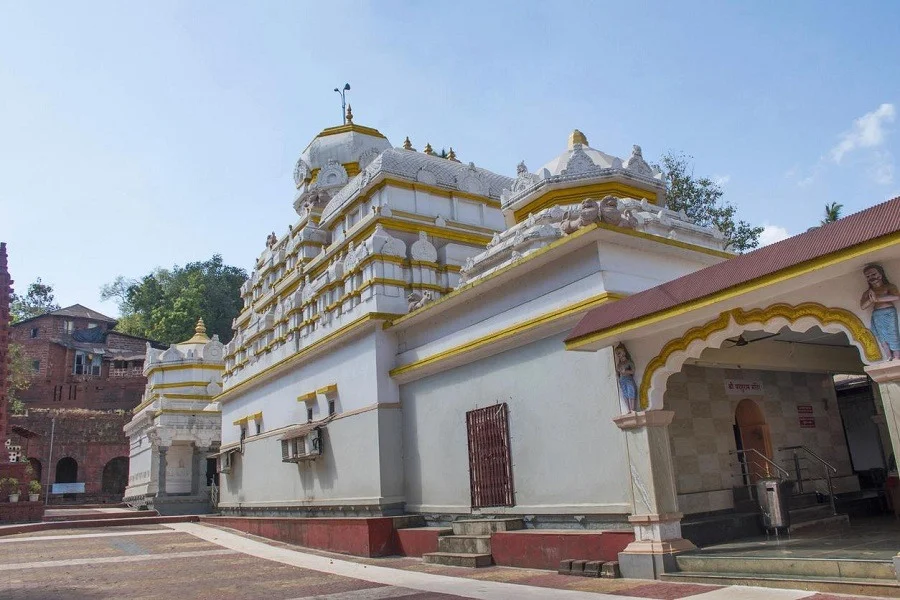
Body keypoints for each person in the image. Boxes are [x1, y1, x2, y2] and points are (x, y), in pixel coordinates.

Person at [861, 264, 900, 360]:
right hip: (877, 315)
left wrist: (877, 299)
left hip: (889, 313)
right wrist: (871, 300)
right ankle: (888, 356)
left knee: (893, 334)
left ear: (880, 274)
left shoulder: (889, 287)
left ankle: (897, 356)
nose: (871, 277)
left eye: (873, 274)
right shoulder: (868, 292)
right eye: (868, 276)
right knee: (881, 337)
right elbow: (863, 306)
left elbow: (896, 297)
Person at [614, 343, 638, 413]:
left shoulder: (628, 362)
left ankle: (632, 409)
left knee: (631, 391)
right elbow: (618, 373)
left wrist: (626, 371)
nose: (618, 355)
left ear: (624, 352)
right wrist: (618, 376)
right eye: (617, 353)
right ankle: (629, 410)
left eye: (619, 353)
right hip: (622, 380)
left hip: (628, 379)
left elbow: (633, 371)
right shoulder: (619, 364)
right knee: (625, 394)